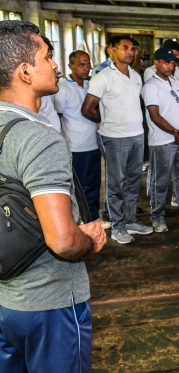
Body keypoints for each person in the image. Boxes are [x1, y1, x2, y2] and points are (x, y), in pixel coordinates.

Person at [0, 20, 106, 372]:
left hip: (5, 298)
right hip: (48, 302)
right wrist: (88, 239)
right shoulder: (38, 137)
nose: (55, 64)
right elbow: (62, 240)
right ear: (25, 72)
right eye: (47, 57)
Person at [82, 36, 154, 244]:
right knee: (116, 184)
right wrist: (109, 121)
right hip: (114, 137)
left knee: (133, 181)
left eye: (133, 48)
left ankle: (130, 220)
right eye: (125, 48)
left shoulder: (135, 76)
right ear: (112, 51)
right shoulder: (103, 77)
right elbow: (87, 109)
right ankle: (117, 226)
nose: (130, 52)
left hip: (136, 135)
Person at [142, 48, 179, 232]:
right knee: (160, 180)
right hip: (162, 141)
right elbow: (155, 116)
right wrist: (175, 132)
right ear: (156, 63)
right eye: (166, 62)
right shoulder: (151, 86)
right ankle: (157, 217)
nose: (170, 66)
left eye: (172, 63)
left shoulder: (176, 82)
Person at [55, 50, 103, 224]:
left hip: (93, 143)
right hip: (75, 146)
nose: (86, 68)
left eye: (88, 64)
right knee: (78, 187)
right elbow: (58, 118)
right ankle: (76, 221)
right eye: (81, 65)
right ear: (71, 66)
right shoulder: (63, 89)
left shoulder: (91, 85)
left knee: (93, 184)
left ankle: (92, 218)